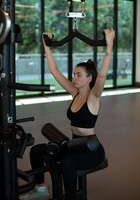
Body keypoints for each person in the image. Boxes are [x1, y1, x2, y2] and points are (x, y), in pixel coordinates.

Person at [23, 28, 115, 200]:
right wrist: (46, 46)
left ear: (89, 78)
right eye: (74, 74)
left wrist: (109, 44)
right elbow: (54, 71)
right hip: (73, 145)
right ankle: (41, 189)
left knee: (68, 163)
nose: (74, 77)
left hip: (91, 150)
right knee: (36, 151)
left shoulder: (93, 98)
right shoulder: (74, 93)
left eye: (78, 75)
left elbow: (101, 75)